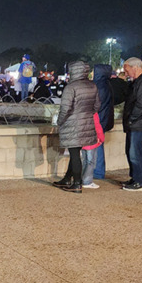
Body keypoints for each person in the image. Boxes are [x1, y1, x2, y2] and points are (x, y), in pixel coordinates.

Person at [52, 60, 98, 192]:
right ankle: (67, 178)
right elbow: (97, 106)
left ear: (73, 71)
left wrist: (59, 122)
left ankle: (77, 183)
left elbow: (65, 109)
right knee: (76, 153)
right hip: (87, 123)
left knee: (74, 154)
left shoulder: (71, 87)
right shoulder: (92, 86)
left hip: (72, 125)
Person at [121, 57, 142, 191]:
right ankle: (136, 177)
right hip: (137, 123)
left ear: (134, 67)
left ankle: (140, 181)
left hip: (139, 123)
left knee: (136, 152)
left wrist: (131, 118)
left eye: (127, 70)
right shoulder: (140, 82)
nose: (126, 74)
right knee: (132, 151)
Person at [91, 64, 115, 181]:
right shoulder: (106, 84)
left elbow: (95, 105)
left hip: (99, 119)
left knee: (97, 146)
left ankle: (98, 172)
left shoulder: (99, 86)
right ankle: (98, 171)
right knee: (98, 145)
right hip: (104, 118)